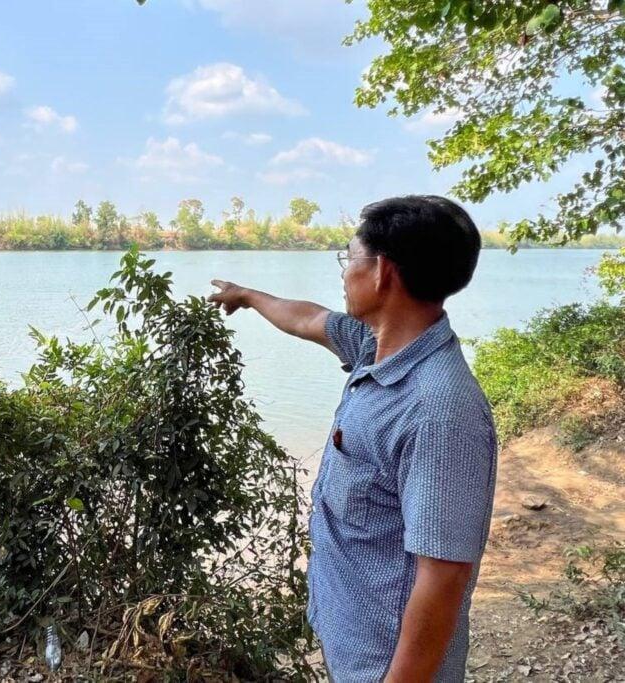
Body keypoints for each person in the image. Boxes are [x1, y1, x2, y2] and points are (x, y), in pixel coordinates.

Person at [208, 195, 497, 681]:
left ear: (382, 271)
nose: (344, 273)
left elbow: (444, 576)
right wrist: (249, 296)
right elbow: (305, 318)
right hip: (353, 631)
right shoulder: (376, 346)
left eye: (349, 259)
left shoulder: (438, 410)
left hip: (386, 660)